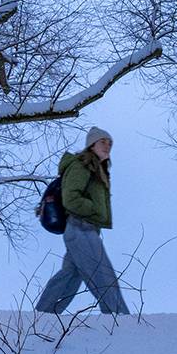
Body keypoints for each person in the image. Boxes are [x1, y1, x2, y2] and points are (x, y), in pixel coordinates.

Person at [35, 126, 129, 315]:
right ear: (91, 145)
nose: (107, 145)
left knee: (69, 277)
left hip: (85, 229)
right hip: (80, 227)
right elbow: (71, 198)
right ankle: (120, 320)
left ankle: (43, 315)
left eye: (110, 143)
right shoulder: (81, 165)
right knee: (102, 274)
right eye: (102, 141)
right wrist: (93, 209)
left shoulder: (97, 169)